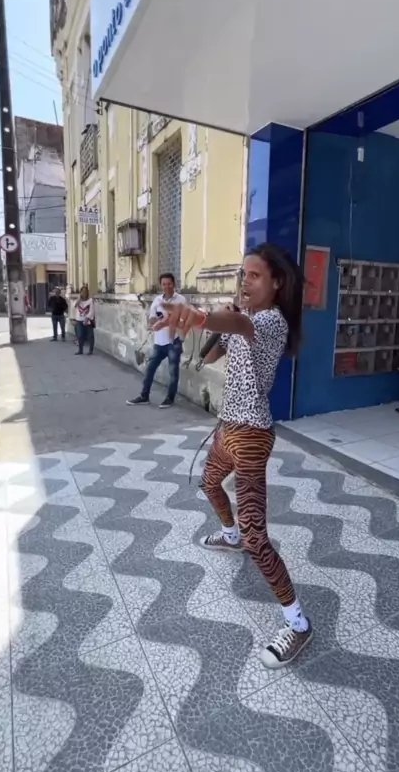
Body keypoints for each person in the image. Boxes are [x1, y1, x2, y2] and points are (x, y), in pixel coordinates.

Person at [151, 243, 312, 669]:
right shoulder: (245, 318)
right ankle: (230, 534)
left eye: (255, 275)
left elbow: (240, 324)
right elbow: (218, 347)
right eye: (243, 275)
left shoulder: (270, 321)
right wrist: (208, 335)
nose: (245, 282)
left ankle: (297, 623)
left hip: (252, 434)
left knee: (258, 536)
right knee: (209, 483)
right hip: (228, 428)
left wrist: (202, 315)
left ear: (277, 283)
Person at [127, 273, 185, 410]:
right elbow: (151, 318)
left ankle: (170, 398)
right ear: (161, 285)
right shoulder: (157, 300)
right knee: (150, 369)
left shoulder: (180, 300)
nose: (166, 287)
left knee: (173, 372)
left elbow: (182, 321)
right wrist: (154, 322)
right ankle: (144, 396)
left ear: (174, 284)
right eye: (164, 284)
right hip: (159, 342)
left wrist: (165, 322)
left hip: (174, 342)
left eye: (169, 284)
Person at [74, 285, 95, 355]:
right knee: (80, 335)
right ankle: (80, 350)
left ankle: (90, 350)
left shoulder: (90, 300)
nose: (84, 293)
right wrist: (79, 299)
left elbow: (92, 311)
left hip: (88, 320)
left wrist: (87, 318)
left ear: (87, 292)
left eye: (85, 292)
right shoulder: (78, 300)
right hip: (79, 320)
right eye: (82, 291)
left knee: (90, 336)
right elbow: (75, 306)